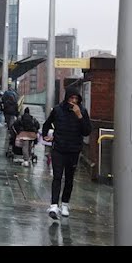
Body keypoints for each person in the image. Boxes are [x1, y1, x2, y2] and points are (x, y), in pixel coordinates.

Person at [42, 85, 92, 219]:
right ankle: (53, 205)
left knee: (69, 178)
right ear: (66, 98)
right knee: (57, 176)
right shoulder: (58, 110)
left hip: (73, 150)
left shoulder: (82, 111)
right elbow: (47, 123)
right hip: (58, 148)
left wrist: (79, 116)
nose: (73, 101)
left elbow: (87, 131)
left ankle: (65, 204)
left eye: (76, 98)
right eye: (71, 98)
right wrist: (45, 135)